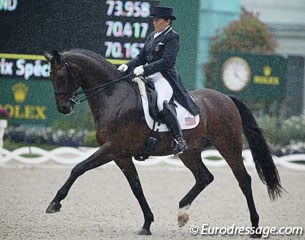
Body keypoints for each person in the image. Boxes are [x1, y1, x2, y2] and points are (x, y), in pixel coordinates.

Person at [118, 6, 200, 155]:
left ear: (167, 21)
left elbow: (167, 61)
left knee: (162, 103)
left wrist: (145, 69)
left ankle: (179, 140)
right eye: (153, 20)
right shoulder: (152, 36)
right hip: (149, 75)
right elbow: (141, 57)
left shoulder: (172, 37)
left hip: (164, 77)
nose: (154, 22)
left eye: (157, 20)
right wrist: (127, 65)